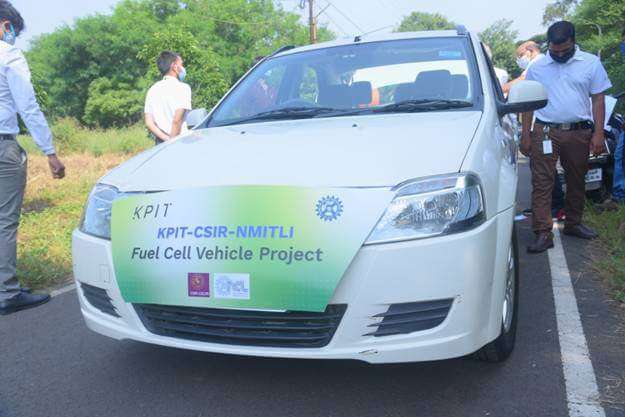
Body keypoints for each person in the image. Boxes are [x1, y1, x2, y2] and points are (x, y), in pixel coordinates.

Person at [520, 21, 612, 253]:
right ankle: (543, 232)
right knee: (542, 182)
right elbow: (528, 102)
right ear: (548, 45)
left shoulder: (591, 63)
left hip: (579, 132)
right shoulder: (538, 66)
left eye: (565, 50)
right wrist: (526, 134)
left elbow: (598, 100)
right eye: (555, 51)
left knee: (577, 178)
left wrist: (598, 133)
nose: (560, 55)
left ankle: (573, 223)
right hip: (545, 131)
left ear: (573, 42)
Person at [0, 1, 65, 315]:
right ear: (6, 25)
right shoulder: (9, 54)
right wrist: (50, 152)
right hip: (3, 147)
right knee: (4, 221)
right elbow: (27, 106)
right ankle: (7, 292)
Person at [144, 51, 192, 145]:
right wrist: (172, 142)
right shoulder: (183, 88)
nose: (183, 68)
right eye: (181, 64)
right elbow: (177, 120)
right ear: (174, 66)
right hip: (179, 141)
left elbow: (149, 122)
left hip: (161, 143)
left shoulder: (152, 89)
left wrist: (166, 139)